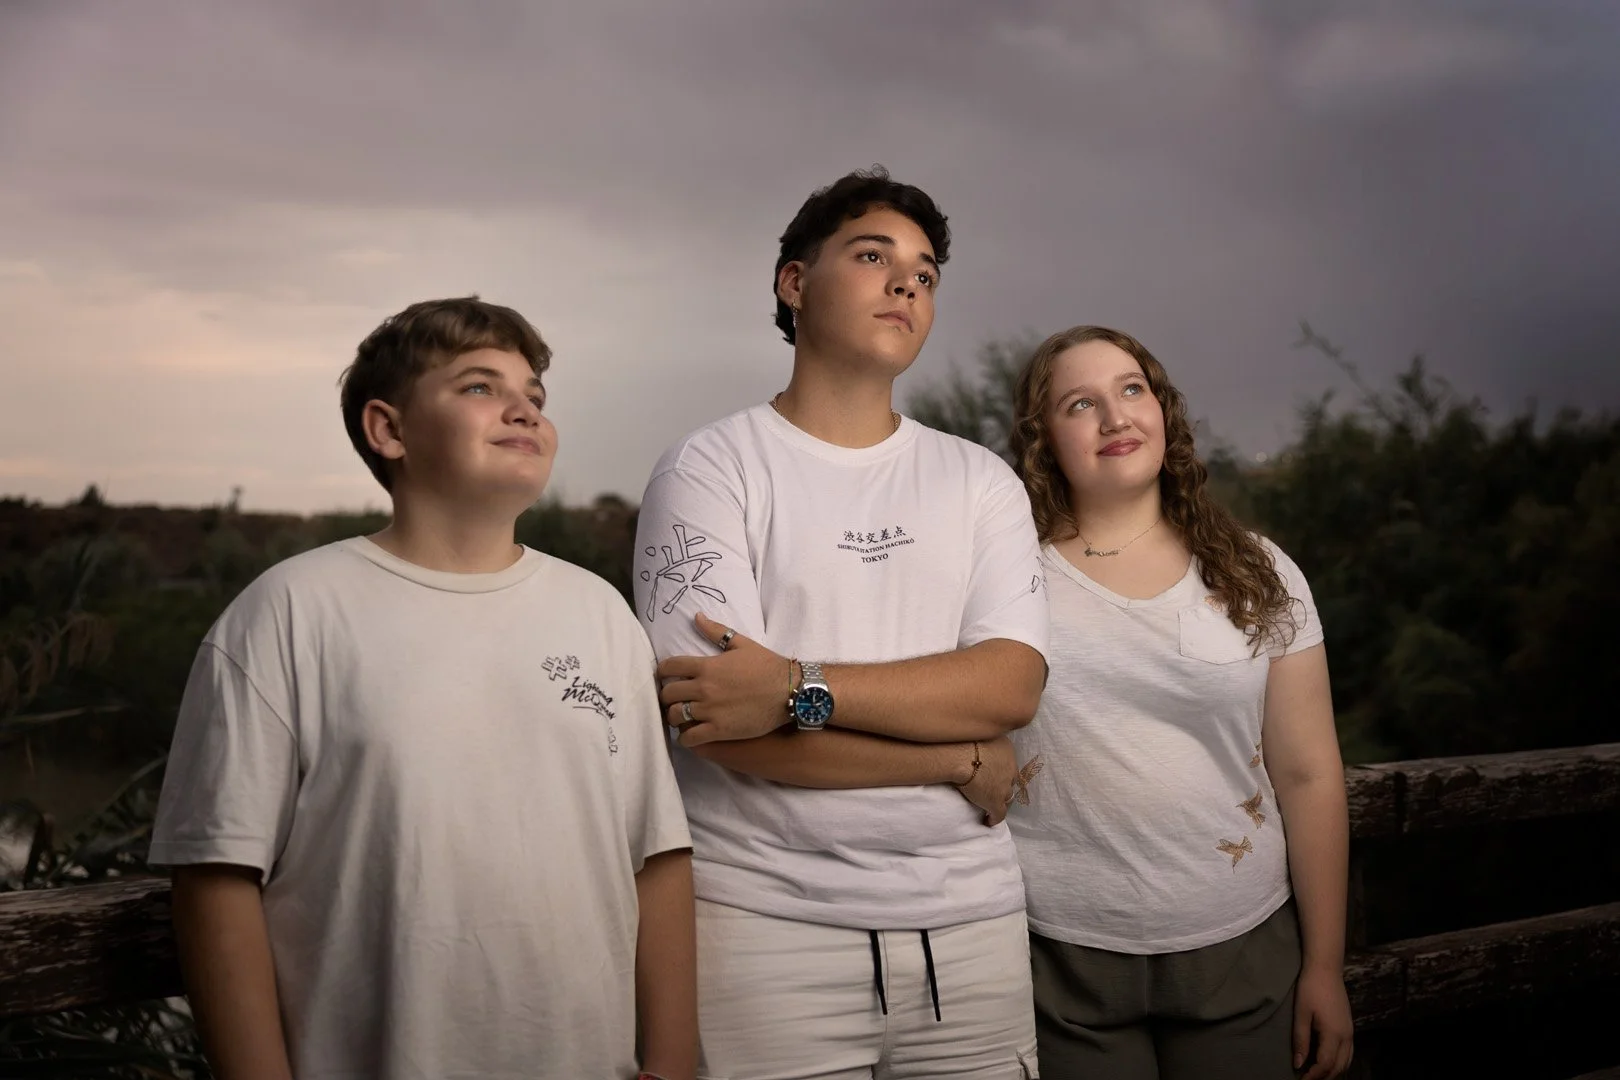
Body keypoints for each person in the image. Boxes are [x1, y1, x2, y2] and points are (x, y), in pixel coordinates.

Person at [149, 297, 697, 1080]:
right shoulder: (287, 613)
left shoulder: (600, 614)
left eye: (535, 395)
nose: (523, 408)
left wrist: (671, 1064)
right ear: (390, 430)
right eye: (480, 387)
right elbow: (215, 881)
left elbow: (660, 857)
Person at [633, 167, 1049, 1079]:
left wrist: (792, 687)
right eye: (873, 256)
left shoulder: (980, 480)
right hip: (766, 933)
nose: (907, 282)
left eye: (927, 272)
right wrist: (953, 756)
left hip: (974, 932)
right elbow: (718, 726)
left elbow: (1010, 684)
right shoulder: (708, 471)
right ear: (793, 282)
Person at [1005, 325, 1355, 1080]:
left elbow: (1309, 775)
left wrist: (1324, 966)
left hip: (1243, 950)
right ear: (1043, 438)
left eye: (1132, 390)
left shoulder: (1261, 571)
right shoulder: (1005, 576)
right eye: (1080, 403)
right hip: (1059, 959)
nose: (1115, 416)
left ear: (1164, 410)